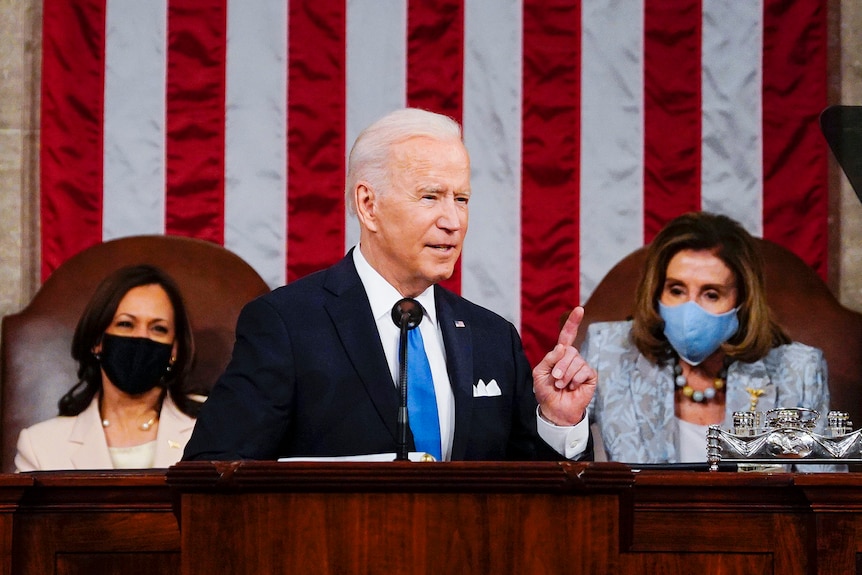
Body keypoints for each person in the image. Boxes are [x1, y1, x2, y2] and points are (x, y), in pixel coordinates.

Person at [183, 108, 596, 462]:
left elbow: (536, 493)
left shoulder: (493, 339)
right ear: (368, 205)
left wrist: (558, 423)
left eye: (462, 199)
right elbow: (213, 473)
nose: (453, 221)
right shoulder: (288, 326)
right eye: (430, 197)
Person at [581, 211, 831, 464]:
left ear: (743, 301)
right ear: (657, 291)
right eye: (676, 290)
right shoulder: (610, 350)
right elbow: (562, 462)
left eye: (711, 294)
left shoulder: (799, 371)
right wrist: (559, 422)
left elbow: (824, 493)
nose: (690, 311)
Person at [15, 264, 201, 471]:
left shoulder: (212, 427)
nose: (141, 338)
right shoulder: (40, 447)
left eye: (158, 328)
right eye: (126, 324)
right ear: (97, 341)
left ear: (174, 349)